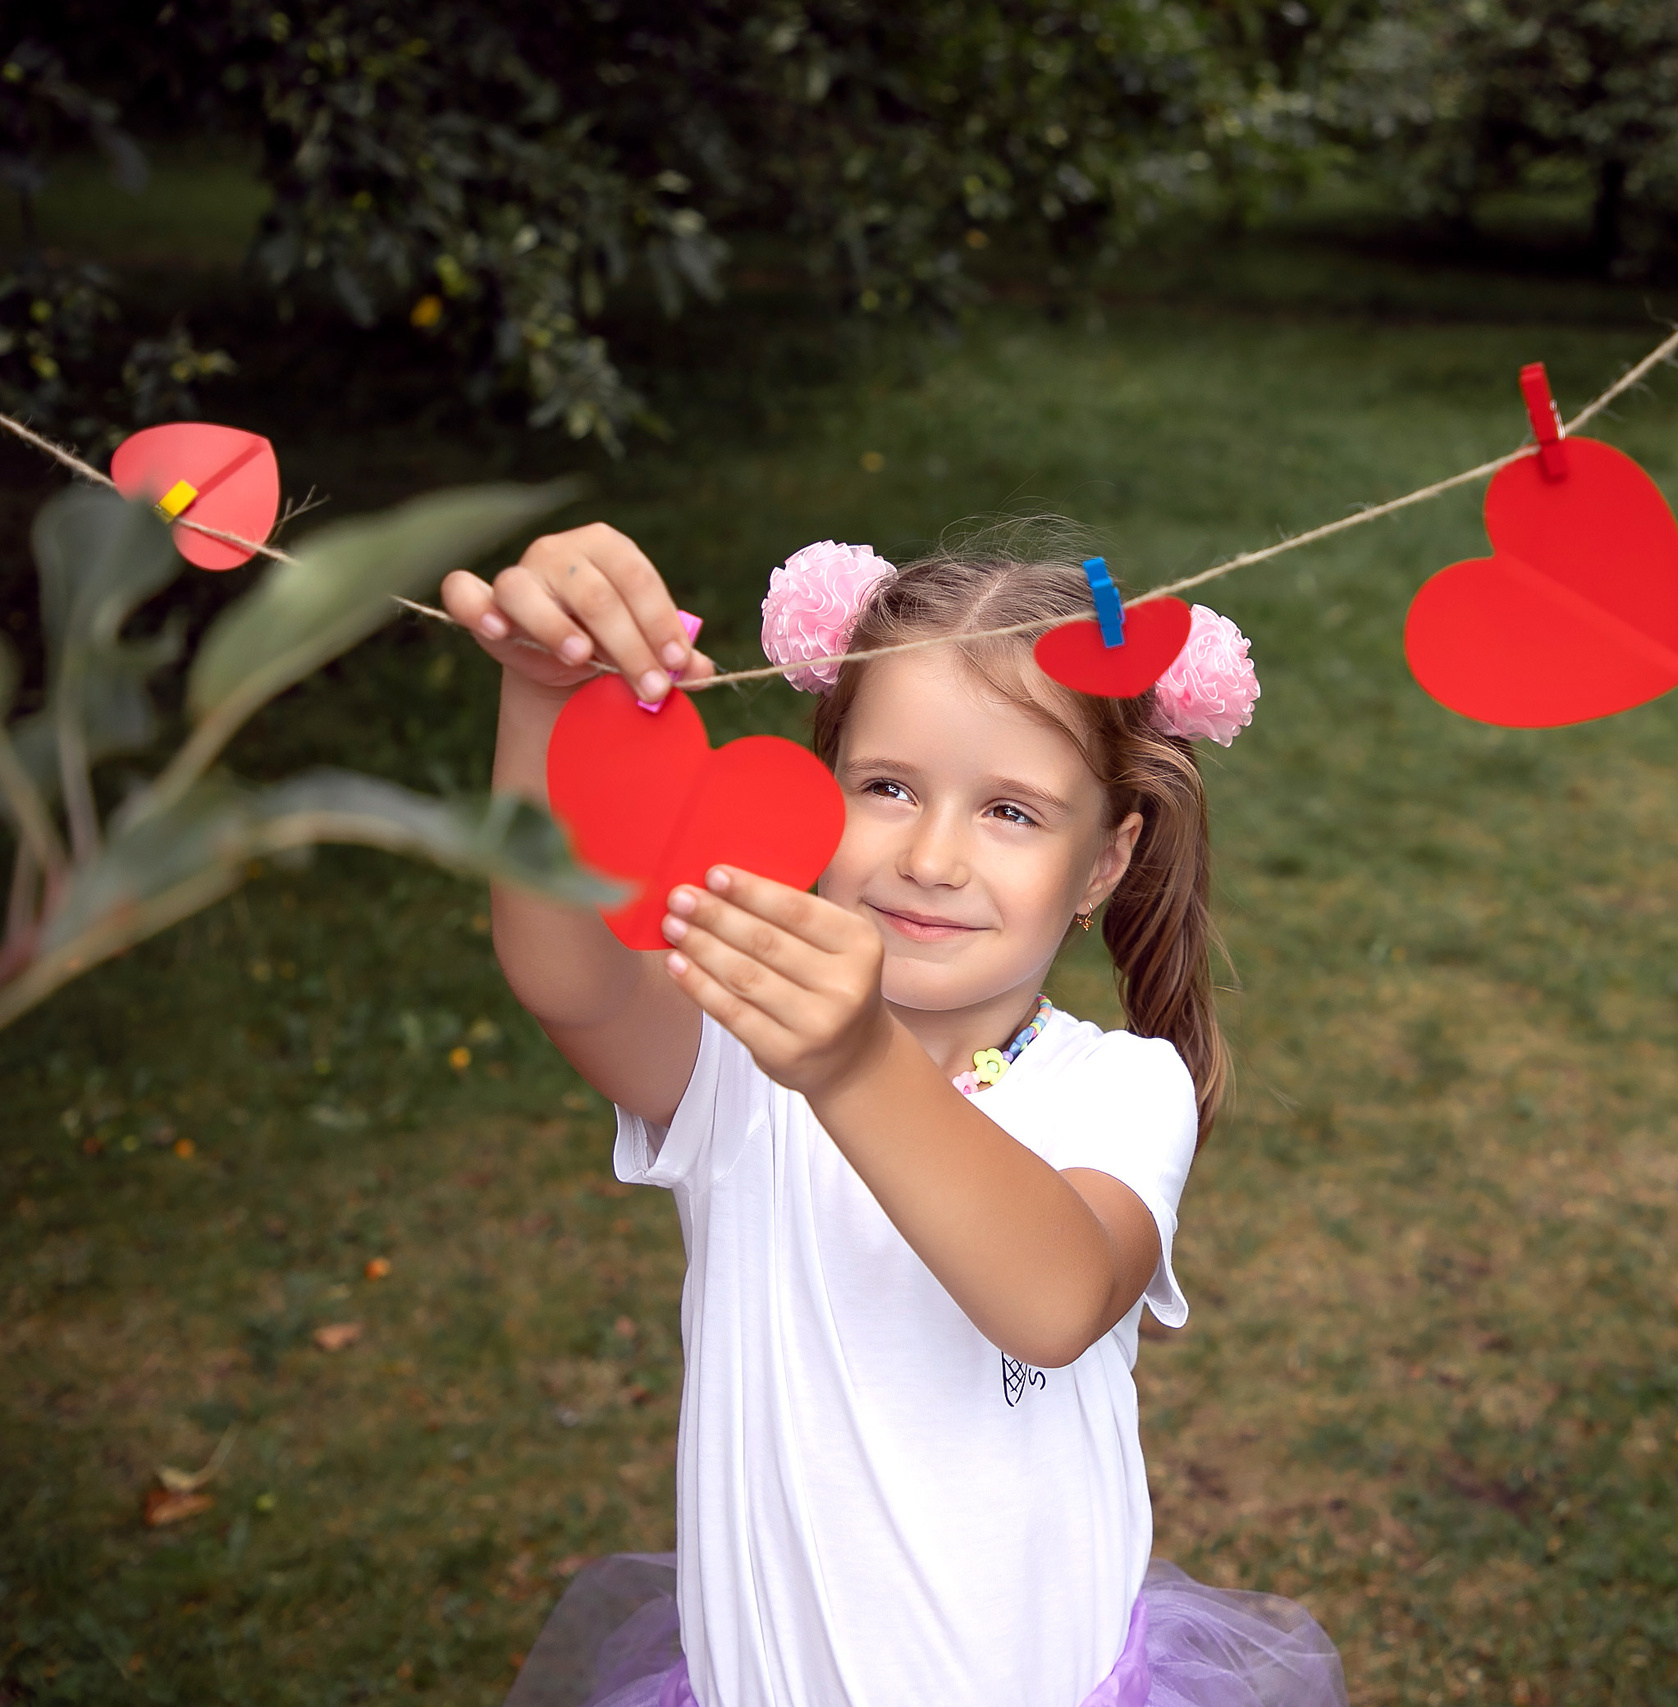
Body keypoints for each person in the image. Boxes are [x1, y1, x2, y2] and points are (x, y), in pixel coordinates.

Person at [440, 522, 1341, 1707]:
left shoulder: (1120, 1088)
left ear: (1104, 866)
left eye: (1010, 812)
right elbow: (570, 973)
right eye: (888, 787)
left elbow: (1053, 1298)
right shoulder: (740, 1064)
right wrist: (543, 696)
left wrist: (856, 1059)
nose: (929, 855)